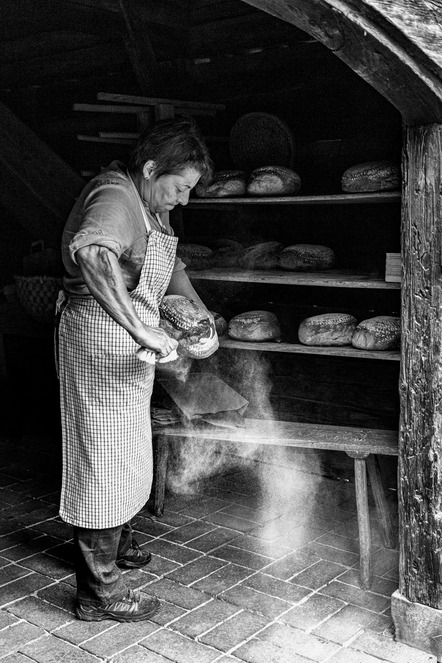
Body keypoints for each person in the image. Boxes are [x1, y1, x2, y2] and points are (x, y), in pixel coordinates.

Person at [57, 117, 213, 622]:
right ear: (150, 169)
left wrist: (199, 319)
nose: (185, 200)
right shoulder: (115, 196)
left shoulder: (150, 208)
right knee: (101, 458)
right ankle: (98, 593)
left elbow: (170, 270)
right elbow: (94, 254)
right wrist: (145, 332)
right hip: (98, 342)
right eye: (180, 187)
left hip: (128, 353)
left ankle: (116, 544)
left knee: (126, 448)